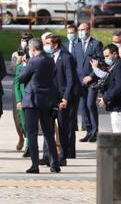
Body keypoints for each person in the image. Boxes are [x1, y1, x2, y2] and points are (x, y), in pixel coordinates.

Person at [17, 38, 61, 174]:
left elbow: (21, 78)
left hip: (32, 100)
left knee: (32, 133)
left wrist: (24, 65)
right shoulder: (49, 60)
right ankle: (54, 163)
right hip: (46, 100)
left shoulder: (33, 61)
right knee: (48, 132)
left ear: (33, 49)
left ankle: (35, 164)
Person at [44, 35, 80, 165]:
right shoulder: (48, 57)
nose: (46, 46)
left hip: (63, 97)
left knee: (63, 126)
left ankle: (64, 155)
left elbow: (70, 79)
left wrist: (65, 98)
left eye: (48, 43)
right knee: (48, 126)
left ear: (55, 45)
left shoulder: (66, 57)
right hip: (50, 97)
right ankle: (47, 155)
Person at [75, 23, 103, 143]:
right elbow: (75, 63)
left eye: (84, 29)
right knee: (82, 108)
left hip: (92, 81)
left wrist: (91, 76)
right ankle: (88, 130)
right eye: (80, 30)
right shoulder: (77, 45)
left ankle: (95, 131)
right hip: (80, 81)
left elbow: (100, 61)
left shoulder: (96, 44)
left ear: (89, 30)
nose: (82, 32)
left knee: (90, 104)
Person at [97, 44, 121, 133]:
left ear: (115, 54)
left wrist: (105, 98)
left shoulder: (119, 66)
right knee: (119, 133)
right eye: (104, 57)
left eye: (107, 56)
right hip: (117, 107)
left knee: (119, 134)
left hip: (119, 108)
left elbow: (119, 87)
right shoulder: (115, 66)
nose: (106, 59)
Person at [11, 33, 32, 155]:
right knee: (18, 117)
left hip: (30, 90)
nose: (24, 41)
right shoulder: (16, 54)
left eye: (27, 39)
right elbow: (13, 69)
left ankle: (29, 142)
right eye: (23, 39)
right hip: (19, 88)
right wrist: (18, 61)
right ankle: (21, 137)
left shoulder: (34, 52)